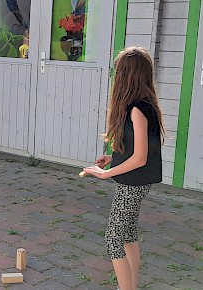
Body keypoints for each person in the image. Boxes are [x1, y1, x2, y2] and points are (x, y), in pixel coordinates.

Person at [82, 46, 165, 290]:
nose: (115, 76)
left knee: (113, 239)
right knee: (128, 234)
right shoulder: (144, 104)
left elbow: (140, 158)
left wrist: (107, 173)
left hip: (133, 183)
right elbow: (137, 149)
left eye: (118, 72)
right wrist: (113, 158)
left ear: (127, 76)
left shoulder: (137, 110)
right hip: (138, 180)